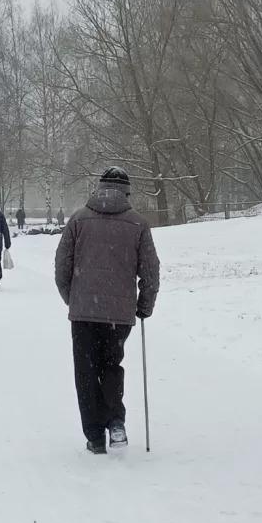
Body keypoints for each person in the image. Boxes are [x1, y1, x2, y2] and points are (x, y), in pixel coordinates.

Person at [54, 167, 160, 454]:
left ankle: (94, 437)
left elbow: (62, 265)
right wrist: (144, 305)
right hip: (118, 313)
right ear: (127, 192)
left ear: (98, 189)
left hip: (83, 313)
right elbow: (150, 271)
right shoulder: (138, 224)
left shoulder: (78, 220)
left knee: (86, 372)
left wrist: (72, 298)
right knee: (111, 365)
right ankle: (115, 421)